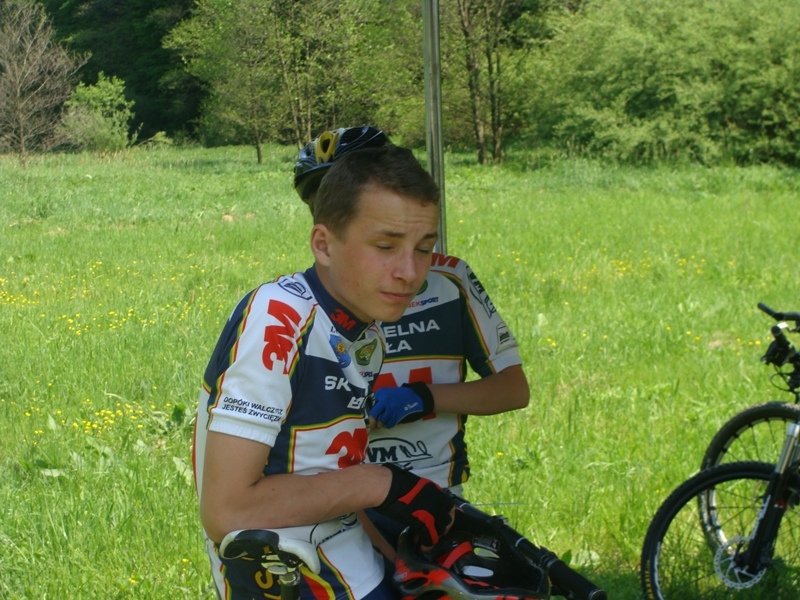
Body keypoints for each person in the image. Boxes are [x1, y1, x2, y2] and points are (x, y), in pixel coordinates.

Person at [193, 144, 456, 600]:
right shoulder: (280, 317)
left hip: (348, 554)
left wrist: (396, 562)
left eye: (424, 248)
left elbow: (333, 468)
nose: (410, 272)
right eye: (385, 246)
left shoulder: (364, 330)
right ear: (323, 244)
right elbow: (226, 511)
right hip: (288, 570)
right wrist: (383, 483)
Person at [294, 127, 530, 550]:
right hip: (341, 500)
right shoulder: (299, 303)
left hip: (434, 493)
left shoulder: (448, 281)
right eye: (321, 201)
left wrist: (424, 397)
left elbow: (513, 389)